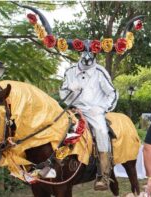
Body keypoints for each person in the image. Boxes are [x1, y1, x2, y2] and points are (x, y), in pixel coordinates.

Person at [59, 50, 118, 190]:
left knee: (101, 132)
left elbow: (112, 93)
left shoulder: (100, 71)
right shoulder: (70, 71)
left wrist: (102, 108)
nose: (86, 60)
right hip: (73, 109)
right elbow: (62, 92)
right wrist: (69, 89)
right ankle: (55, 164)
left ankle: (103, 175)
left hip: (94, 110)